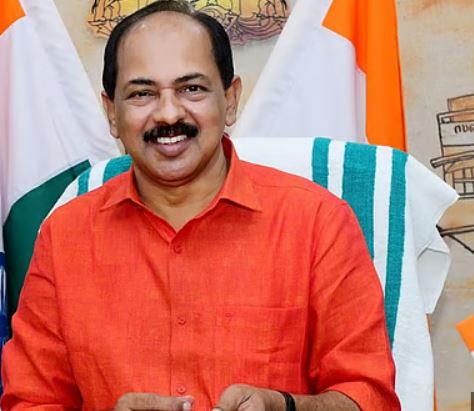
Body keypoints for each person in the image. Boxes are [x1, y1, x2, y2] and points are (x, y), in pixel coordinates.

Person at [1, 1, 400, 410]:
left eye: (191, 89)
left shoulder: (318, 223)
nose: (168, 113)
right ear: (111, 114)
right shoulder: (64, 236)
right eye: (142, 94)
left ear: (230, 99)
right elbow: (29, 401)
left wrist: (284, 407)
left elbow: (370, 397)